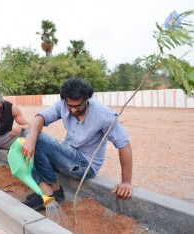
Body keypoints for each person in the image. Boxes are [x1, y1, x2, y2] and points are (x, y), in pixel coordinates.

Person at [21, 78, 133, 211]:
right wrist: (31, 139)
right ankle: (46, 188)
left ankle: (53, 191)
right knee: (27, 139)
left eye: (78, 106)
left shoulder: (104, 115)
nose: (73, 110)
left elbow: (124, 144)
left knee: (38, 141)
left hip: (84, 165)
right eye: (70, 106)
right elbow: (40, 118)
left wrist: (126, 182)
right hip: (68, 155)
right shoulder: (63, 104)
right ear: (65, 100)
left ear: (87, 99)